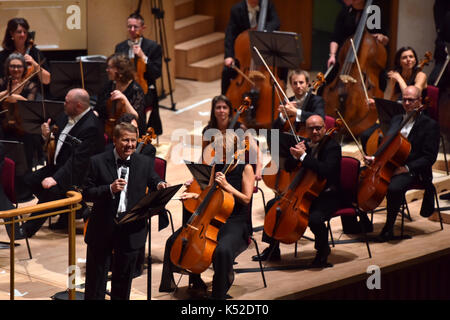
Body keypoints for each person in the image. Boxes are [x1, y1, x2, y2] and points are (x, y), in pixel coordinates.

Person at [159, 131, 255, 299]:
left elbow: (246, 199)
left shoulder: (245, 168)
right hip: (213, 217)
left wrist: (227, 186)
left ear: (234, 151)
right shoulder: (217, 166)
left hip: (235, 222)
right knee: (175, 240)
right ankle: (184, 281)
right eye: (218, 151)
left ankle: (219, 293)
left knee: (222, 251)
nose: (219, 156)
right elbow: (209, 195)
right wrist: (195, 196)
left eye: (223, 152)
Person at [83, 122, 168, 300]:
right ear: (114, 140)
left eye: (133, 140)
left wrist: (160, 184)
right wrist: (109, 189)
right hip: (103, 227)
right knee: (95, 281)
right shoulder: (97, 161)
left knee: (123, 282)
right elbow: (87, 193)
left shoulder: (144, 162)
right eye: (125, 140)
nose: (130, 144)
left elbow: (153, 179)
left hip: (130, 227)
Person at [253, 115, 342, 267]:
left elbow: (325, 170)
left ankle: (322, 251)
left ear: (324, 129)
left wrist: (304, 157)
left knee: (314, 219)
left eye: (318, 128)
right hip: (302, 193)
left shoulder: (332, 147)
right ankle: (273, 249)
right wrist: (295, 156)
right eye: (311, 129)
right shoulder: (305, 144)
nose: (314, 132)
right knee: (272, 205)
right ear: (306, 130)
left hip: (326, 195)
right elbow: (287, 167)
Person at [19, 88, 104, 238]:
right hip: (60, 166)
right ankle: (67, 211)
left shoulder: (91, 126)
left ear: (78, 105)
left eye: (67, 102)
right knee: (29, 180)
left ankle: (26, 230)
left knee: (51, 191)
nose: (63, 104)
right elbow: (57, 140)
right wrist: (47, 135)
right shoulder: (66, 116)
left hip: (80, 174)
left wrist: (56, 178)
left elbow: (78, 161)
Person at [363, 86, 440, 242]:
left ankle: (389, 228)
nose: (406, 103)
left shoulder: (429, 125)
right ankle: (361, 222)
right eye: (404, 99)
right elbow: (387, 144)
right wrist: (374, 158)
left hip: (413, 170)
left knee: (394, 187)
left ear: (419, 101)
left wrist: (406, 168)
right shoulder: (397, 119)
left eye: (410, 100)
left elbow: (429, 157)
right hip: (391, 165)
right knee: (360, 176)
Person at [115, 12, 163, 135]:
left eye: (135, 27)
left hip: (146, 90)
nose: (132, 30)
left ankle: (139, 135)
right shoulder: (120, 47)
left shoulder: (153, 47)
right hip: (125, 88)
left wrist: (143, 57)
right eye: (129, 26)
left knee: (138, 108)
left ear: (143, 28)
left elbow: (157, 73)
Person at [221, 0, 280, 95]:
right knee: (227, 71)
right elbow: (230, 34)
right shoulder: (236, 9)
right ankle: (223, 101)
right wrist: (229, 56)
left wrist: (262, 32)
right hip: (244, 53)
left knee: (282, 67)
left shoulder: (267, 5)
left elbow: (275, 22)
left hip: (263, 52)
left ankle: (282, 99)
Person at [94, 53, 146, 137]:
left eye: (109, 67)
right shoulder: (108, 86)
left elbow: (136, 117)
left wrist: (124, 98)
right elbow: (98, 108)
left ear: (120, 70)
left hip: (128, 132)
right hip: (108, 129)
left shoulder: (136, 90)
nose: (107, 70)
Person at [327, 0, 389, 69]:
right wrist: (332, 55)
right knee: (329, 76)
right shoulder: (345, 12)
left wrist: (382, 37)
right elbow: (336, 37)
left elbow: (385, 39)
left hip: (367, 59)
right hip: (346, 58)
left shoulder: (374, 11)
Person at [0, 18, 51, 87]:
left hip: (32, 93)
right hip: (10, 92)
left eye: (25, 32)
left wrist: (34, 63)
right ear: (11, 33)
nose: (23, 35)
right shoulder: (3, 55)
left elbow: (47, 80)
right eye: (19, 32)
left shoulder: (35, 52)